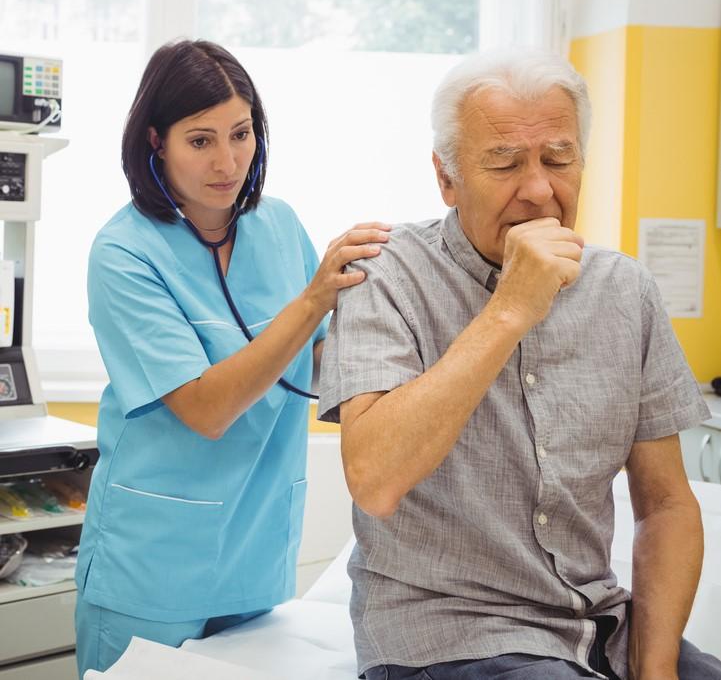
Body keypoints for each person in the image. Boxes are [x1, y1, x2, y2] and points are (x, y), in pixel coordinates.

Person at [318, 49, 721, 680]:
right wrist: (509, 311)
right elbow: (374, 477)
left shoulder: (625, 291)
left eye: (558, 160)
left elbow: (667, 505)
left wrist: (658, 669)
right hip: (446, 634)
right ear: (446, 178)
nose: (538, 190)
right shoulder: (385, 273)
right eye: (504, 163)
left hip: (597, 626)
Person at [74, 39, 390, 676]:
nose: (228, 161)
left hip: (253, 551)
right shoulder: (124, 253)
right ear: (156, 140)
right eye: (201, 140)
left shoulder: (278, 226)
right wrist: (313, 299)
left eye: (241, 134)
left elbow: (321, 358)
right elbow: (207, 408)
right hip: (153, 568)